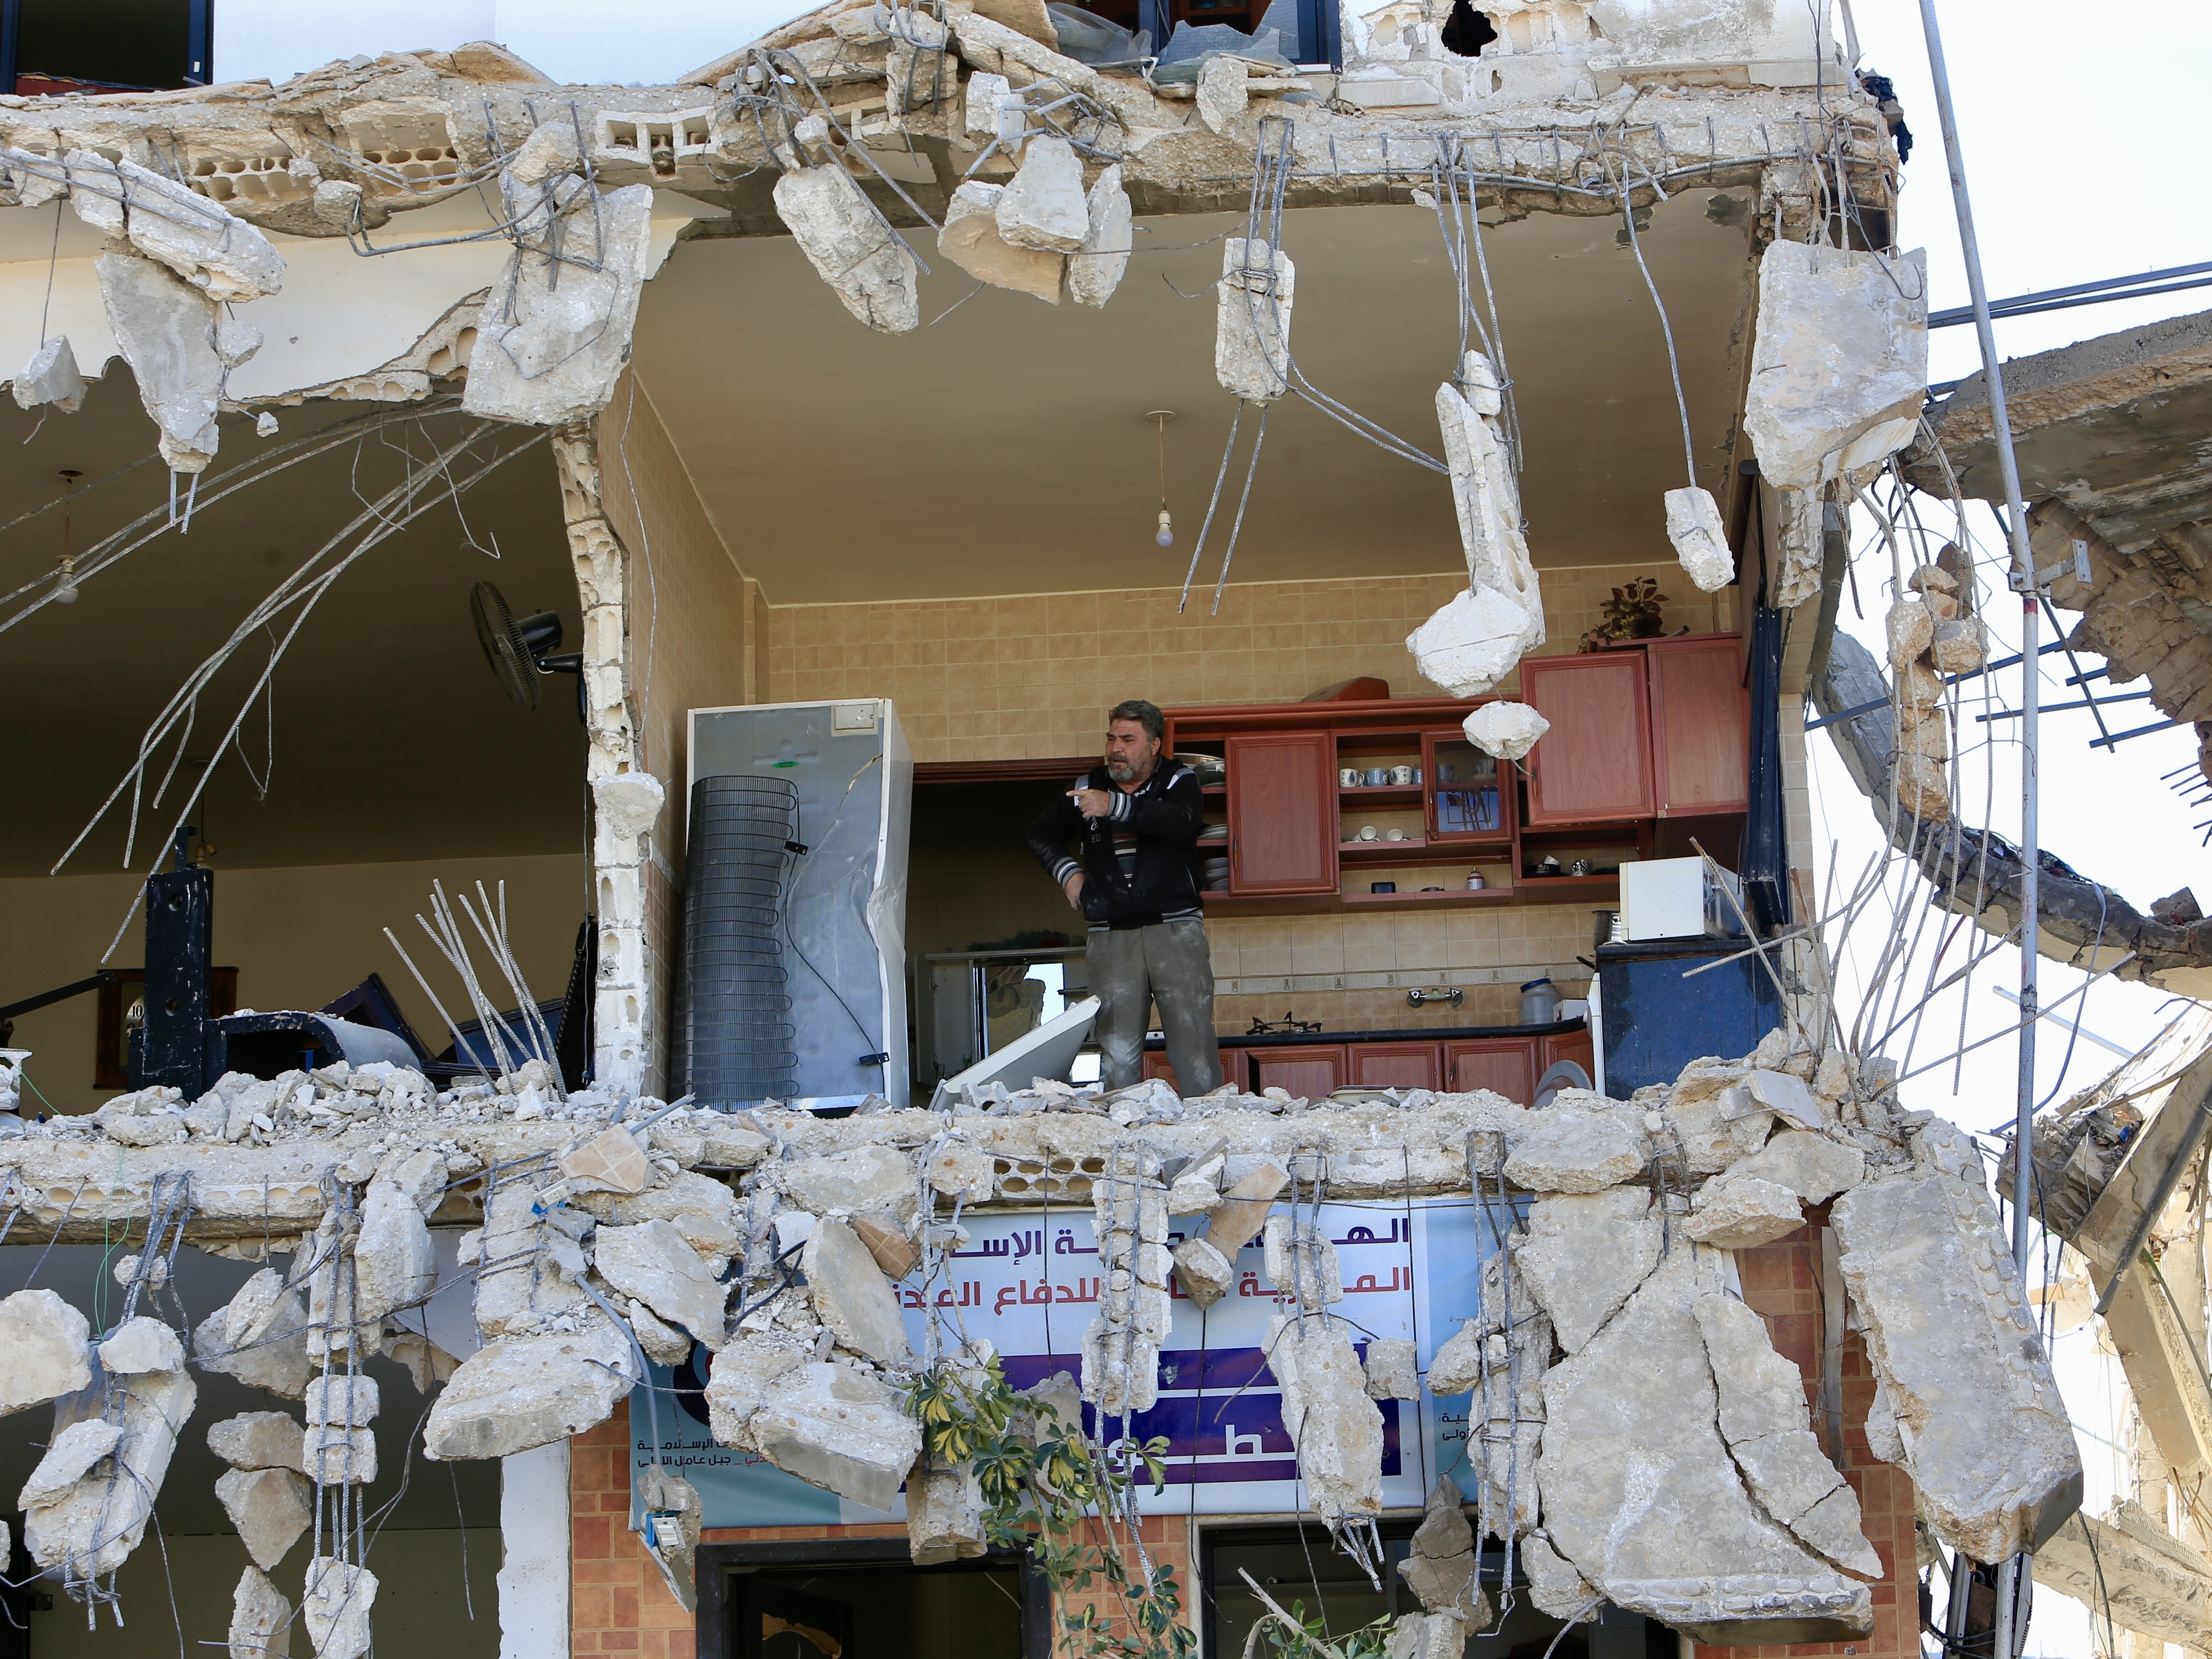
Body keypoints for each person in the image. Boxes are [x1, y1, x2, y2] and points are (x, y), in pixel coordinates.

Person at [1026, 699, 1224, 1094]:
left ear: (1153, 745)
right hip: (1110, 932)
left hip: (1176, 928)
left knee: (1194, 1045)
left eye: (1128, 739)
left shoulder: (1179, 781)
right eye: (1112, 738)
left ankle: (1206, 1129)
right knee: (1117, 1052)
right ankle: (1125, 1135)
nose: (1116, 748)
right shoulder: (1086, 787)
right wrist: (1070, 875)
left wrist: (1113, 804)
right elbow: (1039, 833)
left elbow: (1178, 823)